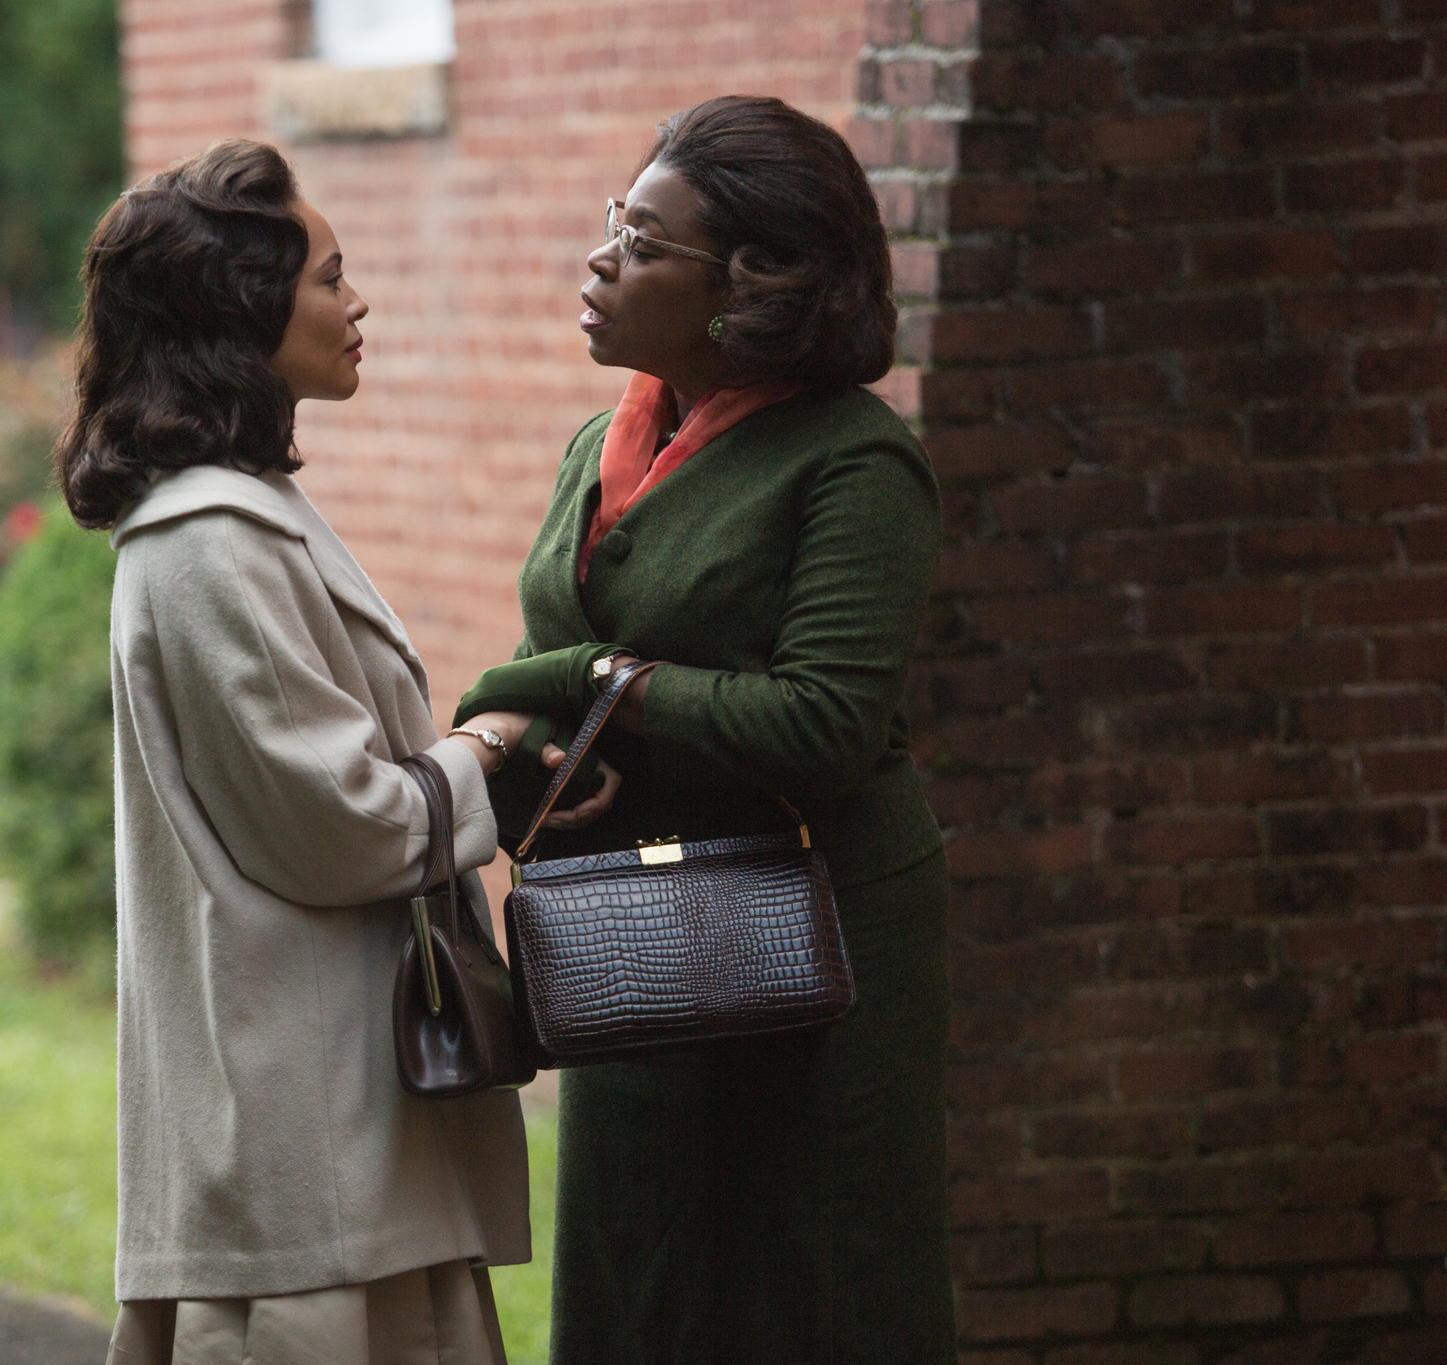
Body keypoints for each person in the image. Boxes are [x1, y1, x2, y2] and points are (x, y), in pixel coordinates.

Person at [56, 139, 535, 1365]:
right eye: (329, 278)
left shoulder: (233, 517)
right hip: (303, 1137)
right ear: (241, 312)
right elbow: (343, 823)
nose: (354, 301)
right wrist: (482, 747)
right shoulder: (210, 541)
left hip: (329, 1115)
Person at [505, 96, 954, 1362]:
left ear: (752, 289)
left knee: (807, 1288)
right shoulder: (604, 440)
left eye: (645, 245)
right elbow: (562, 668)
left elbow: (821, 723)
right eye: (614, 224)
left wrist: (602, 680)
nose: (602, 259)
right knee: (630, 1273)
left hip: (815, 935)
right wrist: (548, 740)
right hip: (633, 930)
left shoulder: (854, 464)